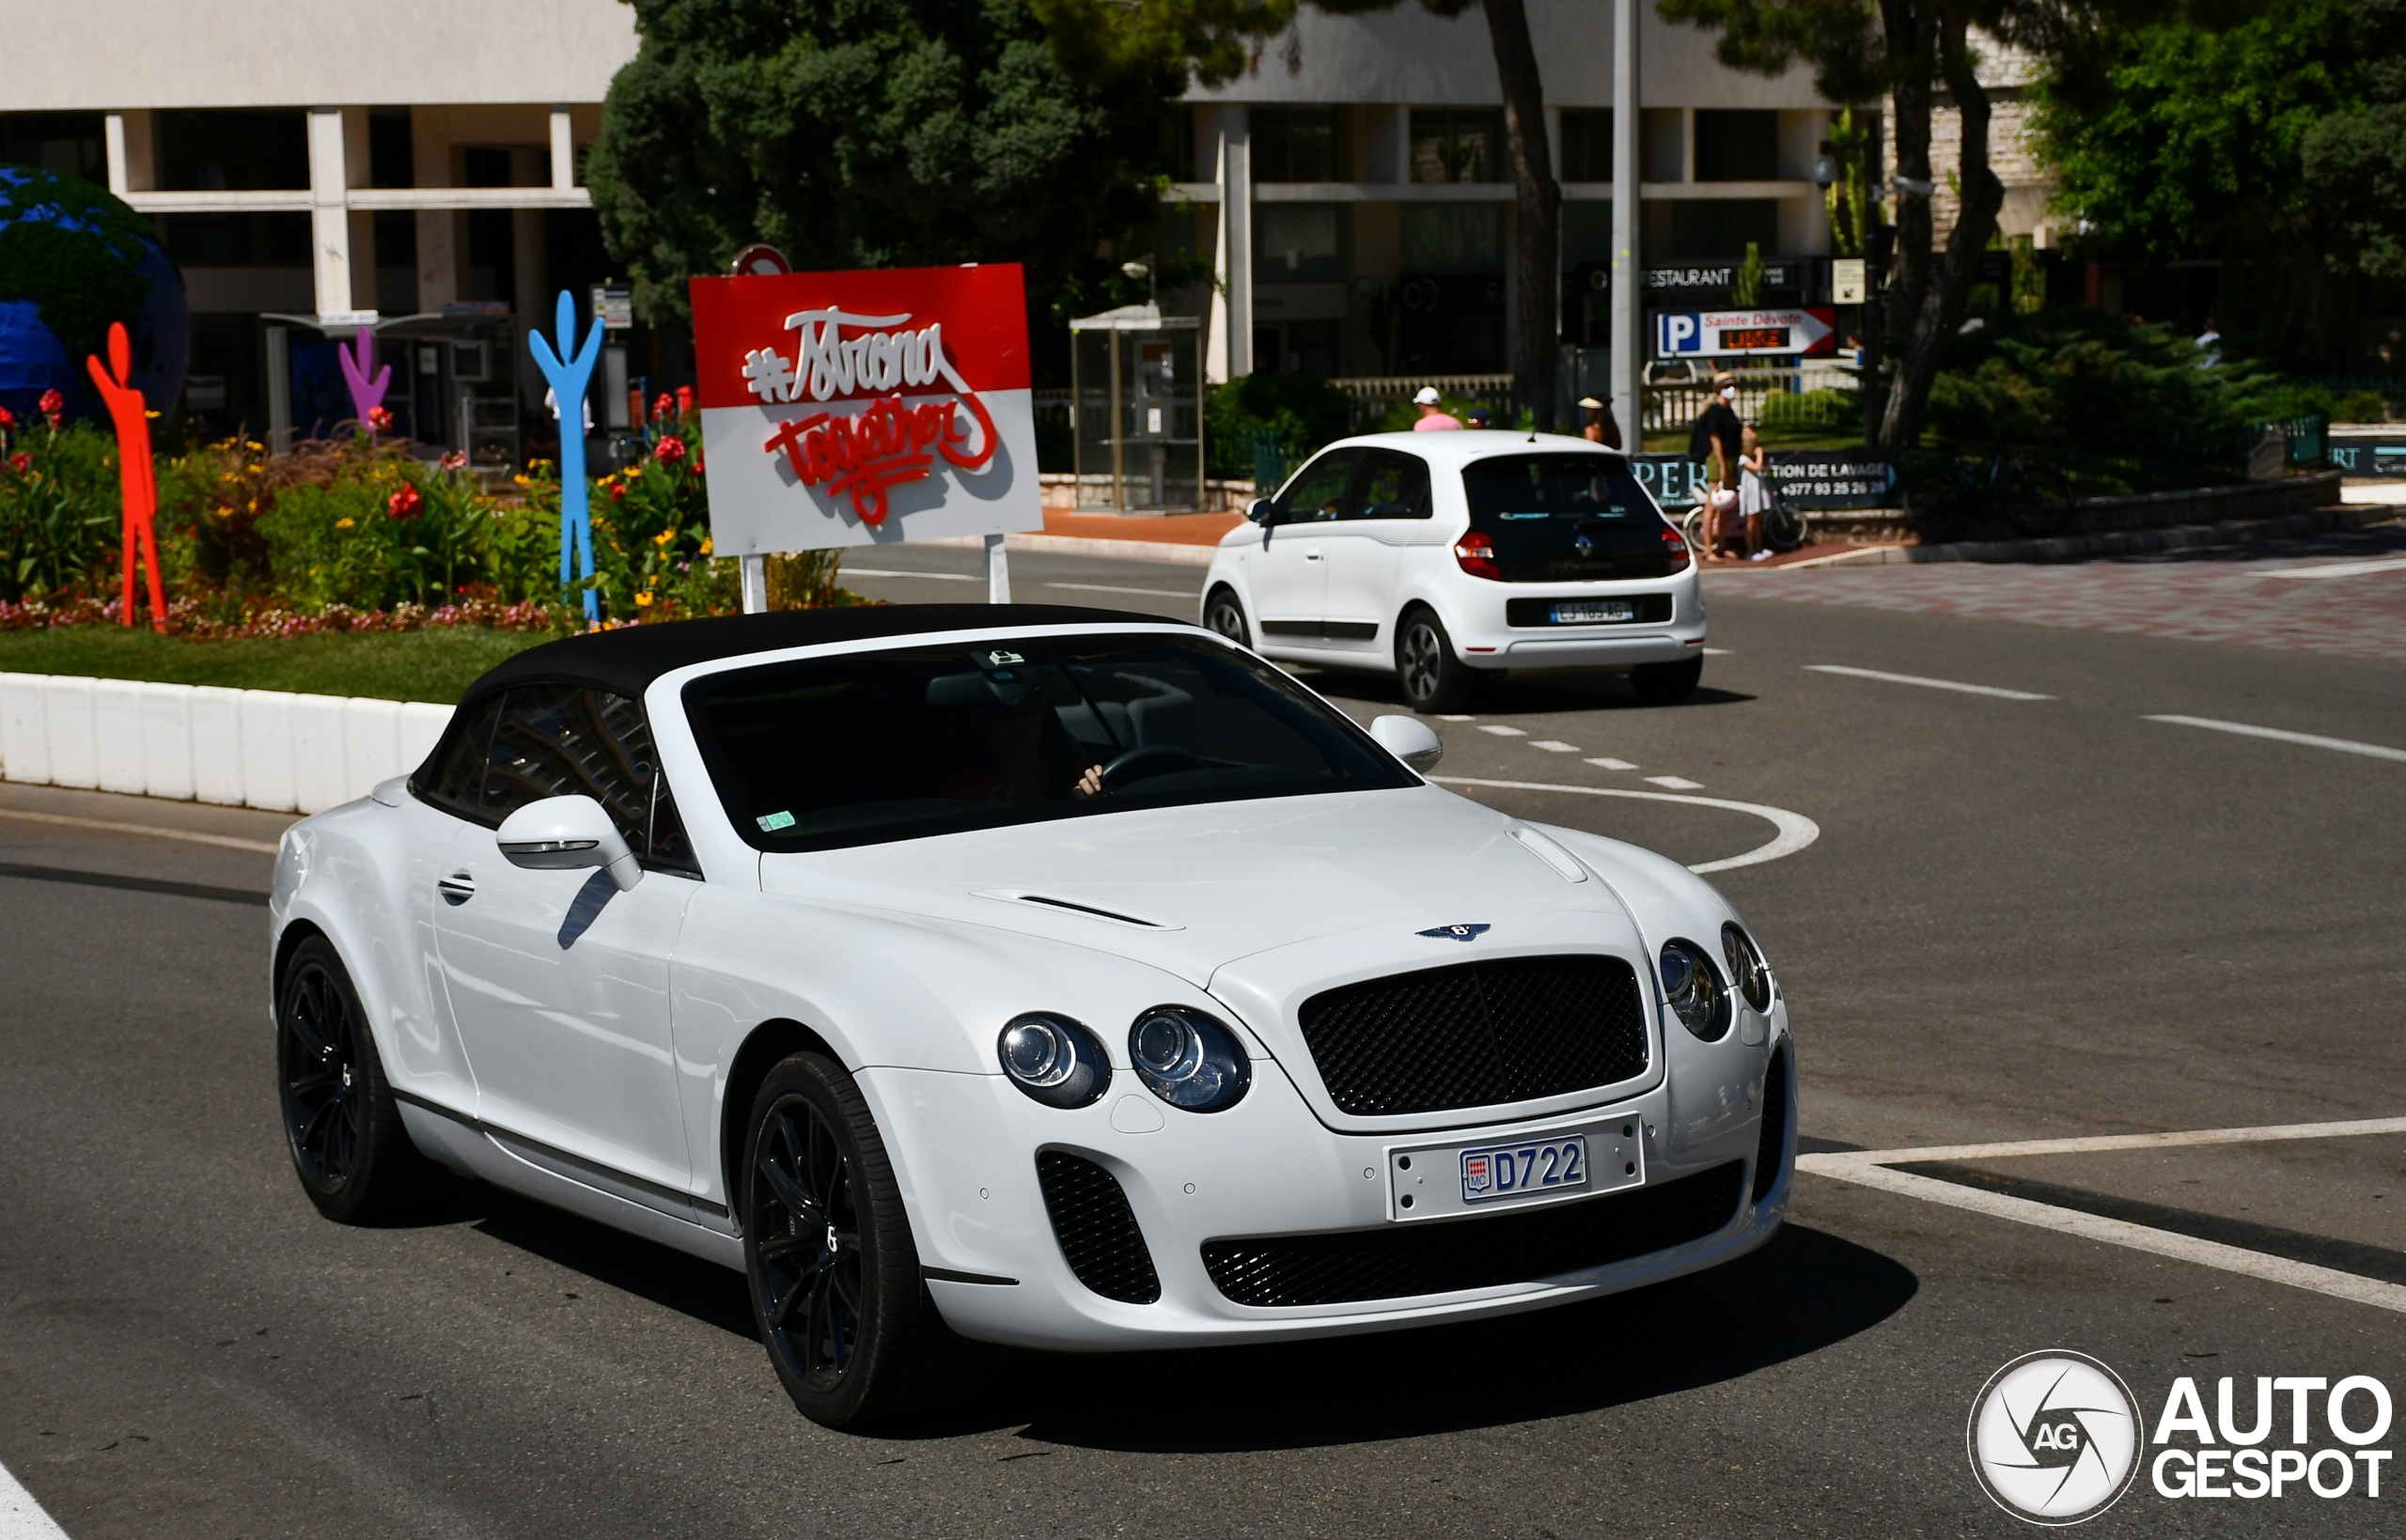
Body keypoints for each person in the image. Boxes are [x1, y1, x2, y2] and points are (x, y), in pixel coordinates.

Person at [1687, 372, 1743, 555]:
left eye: (1733, 385)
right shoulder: (1715, 411)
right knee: (1712, 504)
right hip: (1718, 459)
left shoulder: (1729, 411)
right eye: (1728, 386)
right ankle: (1708, 549)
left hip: (1731, 458)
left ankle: (1722, 545)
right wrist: (1722, 466)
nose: (1732, 390)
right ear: (1719, 389)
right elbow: (1715, 438)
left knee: (1725, 506)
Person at [1738, 423, 1771, 561]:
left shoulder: (1749, 458)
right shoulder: (1743, 459)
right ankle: (1750, 550)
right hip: (1750, 492)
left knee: (1758, 520)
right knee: (1750, 522)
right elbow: (1756, 467)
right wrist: (1760, 454)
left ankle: (1759, 547)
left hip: (1756, 490)